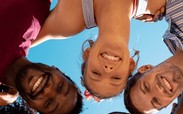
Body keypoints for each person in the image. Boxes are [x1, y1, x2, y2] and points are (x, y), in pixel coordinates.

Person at [30, 0, 167, 99]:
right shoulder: (155, 4)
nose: (107, 69)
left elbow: (17, 42)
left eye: (96, 73)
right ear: (130, 65)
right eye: (116, 77)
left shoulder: (71, 19)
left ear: (87, 54)